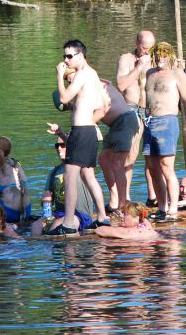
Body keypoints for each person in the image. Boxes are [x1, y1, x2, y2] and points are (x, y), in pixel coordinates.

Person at [47, 39, 110, 235]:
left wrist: (59, 76)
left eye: (69, 56)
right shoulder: (93, 74)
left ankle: (67, 222)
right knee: (88, 174)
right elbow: (102, 104)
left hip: (82, 131)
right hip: (89, 130)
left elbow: (64, 97)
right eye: (64, 56)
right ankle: (101, 217)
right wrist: (81, 109)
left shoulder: (82, 75)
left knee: (70, 176)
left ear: (81, 55)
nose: (65, 61)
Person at [143, 42, 186, 221]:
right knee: (152, 168)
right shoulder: (149, 73)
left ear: (170, 56)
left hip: (167, 121)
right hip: (149, 121)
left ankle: (173, 209)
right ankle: (161, 207)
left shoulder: (177, 74)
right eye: (157, 54)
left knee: (167, 166)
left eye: (164, 54)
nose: (160, 58)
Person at [116, 29, 159, 207]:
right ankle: (125, 199)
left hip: (152, 110)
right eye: (144, 48)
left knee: (152, 156)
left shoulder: (158, 59)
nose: (147, 52)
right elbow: (121, 85)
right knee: (130, 155)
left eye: (151, 48)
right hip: (132, 108)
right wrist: (139, 66)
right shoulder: (126, 59)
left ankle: (153, 198)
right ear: (136, 44)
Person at [32, 135, 98, 236]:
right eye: (57, 146)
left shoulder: (82, 168)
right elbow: (47, 198)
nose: (59, 148)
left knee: (58, 224)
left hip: (79, 214)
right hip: (59, 212)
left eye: (63, 145)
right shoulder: (54, 172)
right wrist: (47, 216)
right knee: (36, 226)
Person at [98, 79, 143, 212]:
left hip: (125, 120)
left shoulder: (94, 84)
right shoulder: (92, 83)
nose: (69, 80)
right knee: (103, 159)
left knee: (118, 163)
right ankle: (115, 198)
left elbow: (101, 108)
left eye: (69, 77)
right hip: (115, 125)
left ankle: (122, 206)